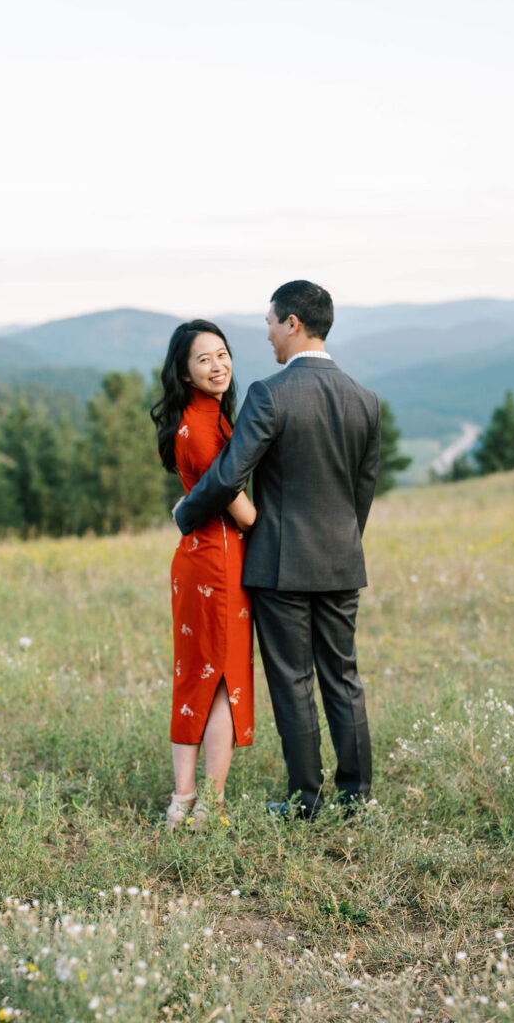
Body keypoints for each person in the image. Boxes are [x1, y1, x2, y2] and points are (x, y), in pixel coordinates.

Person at [174, 281, 381, 817]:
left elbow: (227, 475)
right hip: (340, 561)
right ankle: (357, 799)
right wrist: (339, 543)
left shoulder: (270, 393)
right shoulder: (365, 398)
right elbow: (363, 492)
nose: (266, 334)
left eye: (269, 322)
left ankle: (305, 801)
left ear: (292, 323)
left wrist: (186, 512)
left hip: (280, 566)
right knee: (344, 678)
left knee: (292, 682)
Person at [151, 320, 256, 829]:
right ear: (186, 374)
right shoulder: (204, 428)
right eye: (203, 360)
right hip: (217, 560)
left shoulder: (200, 418)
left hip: (201, 556)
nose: (217, 366)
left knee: (204, 678)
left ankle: (192, 801)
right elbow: (243, 514)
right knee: (216, 678)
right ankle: (196, 802)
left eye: (222, 354)